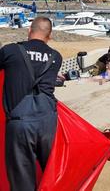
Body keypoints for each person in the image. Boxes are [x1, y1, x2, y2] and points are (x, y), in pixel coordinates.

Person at [0, 16, 62, 190]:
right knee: (50, 174)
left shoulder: (10, 51)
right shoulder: (56, 57)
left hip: (20, 124)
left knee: (22, 180)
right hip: (49, 122)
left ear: (29, 31)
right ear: (49, 36)